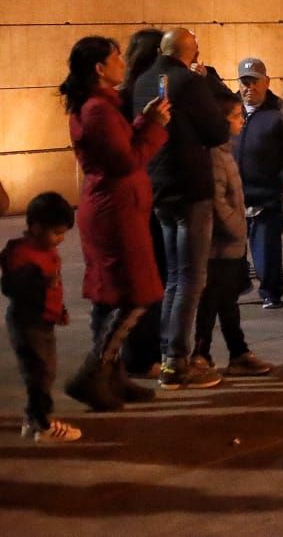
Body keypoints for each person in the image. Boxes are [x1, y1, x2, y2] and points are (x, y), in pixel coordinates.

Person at [60, 35, 170, 411]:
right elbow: (125, 160)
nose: (123, 62)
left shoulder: (102, 107)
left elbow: (121, 147)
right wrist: (154, 126)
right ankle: (96, 371)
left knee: (115, 294)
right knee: (136, 293)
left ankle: (113, 375)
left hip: (118, 206)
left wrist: (143, 120)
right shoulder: (97, 110)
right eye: (116, 57)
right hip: (114, 210)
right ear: (99, 68)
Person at [130, 27, 230, 390]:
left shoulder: (144, 79)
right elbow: (218, 131)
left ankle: (169, 352)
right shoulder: (188, 82)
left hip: (160, 186)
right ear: (193, 50)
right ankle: (176, 360)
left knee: (174, 276)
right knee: (191, 278)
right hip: (190, 187)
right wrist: (210, 86)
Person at [194, 92, 273, 377]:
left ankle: (235, 351)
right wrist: (236, 227)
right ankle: (201, 353)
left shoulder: (225, 150)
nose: (242, 121)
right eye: (236, 116)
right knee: (213, 299)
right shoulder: (215, 155)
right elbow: (217, 199)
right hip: (219, 243)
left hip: (229, 243)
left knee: (225, 299)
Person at [3, 193, 83, 443]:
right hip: (28, 322)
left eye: (63, 234)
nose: (60, 239)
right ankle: (43, 423)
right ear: (36, 227)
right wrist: (38, 282)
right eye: (56, 233)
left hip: (44, 320)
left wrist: (60, 310)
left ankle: (32, 419)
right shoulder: (22, 254)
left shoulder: (46, 250)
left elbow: (54, 288)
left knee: (46, 371)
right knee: (38, 373)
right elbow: (11, 286)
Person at [117, 28, 168, 377]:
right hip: (139, 195)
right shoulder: (127, 99)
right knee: (147, 277)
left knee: (154, 275)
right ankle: (139, 354)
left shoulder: (131, 94)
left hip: (147, 192)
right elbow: (129, 152)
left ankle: (144, 351)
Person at [234, 57, 283, 309]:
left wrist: (280, 179)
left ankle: (271, 291)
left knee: (266, 249)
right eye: (245, 82)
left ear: (266, 82)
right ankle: (238, 284)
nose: (249, 88)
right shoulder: (231, 109)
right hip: (235, 195)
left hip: (266, 194)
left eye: (255, 82)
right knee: (234, 250)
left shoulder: (280, 113)